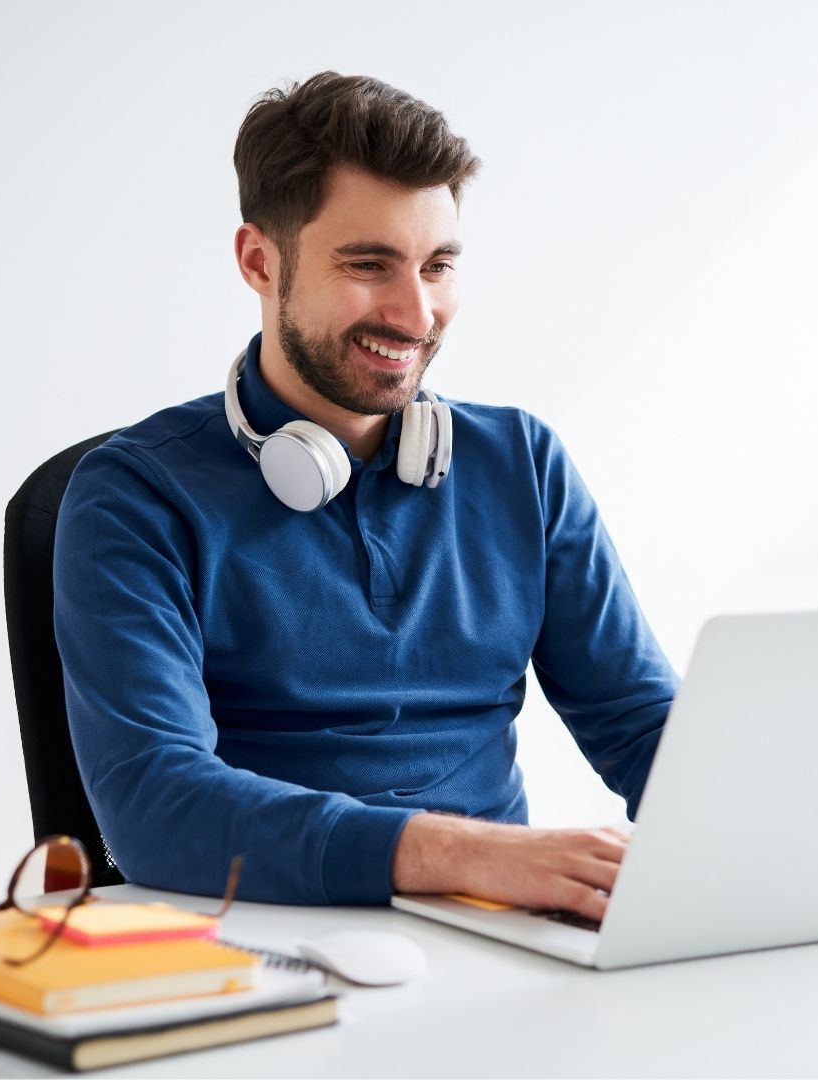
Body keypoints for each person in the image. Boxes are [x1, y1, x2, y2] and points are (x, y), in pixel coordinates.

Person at [54, 72, 679, 923]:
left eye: (438, 266)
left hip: (502, 935)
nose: (416, 314)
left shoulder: (521, 464)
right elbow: (155, 803)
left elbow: (644, 726)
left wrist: (789, 842)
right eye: (369, 265)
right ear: (259, 261)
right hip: (274, 944)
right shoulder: (135, 496)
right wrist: (464, 854)